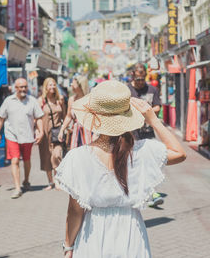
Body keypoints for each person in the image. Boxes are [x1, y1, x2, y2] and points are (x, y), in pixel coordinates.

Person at [55, 80, 186, 258]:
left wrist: (68, 246)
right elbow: (179, 153)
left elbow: (75, 211)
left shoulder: (78, 157)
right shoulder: (142, 151)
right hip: (131, 233)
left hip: (93, 234)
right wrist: (154, 120)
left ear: (95, 117)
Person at [0, 78, 44, 199]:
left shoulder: (32, 101)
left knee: (27, 161)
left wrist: (41, 132)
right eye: (20, 87)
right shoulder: (8, 101)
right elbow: (0, 118)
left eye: (25, 87)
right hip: (12, 136)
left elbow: (39, 118)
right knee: (15, 160)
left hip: (27, 136)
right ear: (15, 88)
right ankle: (17, 188)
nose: (23, 89)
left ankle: (26, 181)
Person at [128, 62, 164, 208]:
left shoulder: (152, 89)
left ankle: (150, 191)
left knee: (150, 162)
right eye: (138, 79)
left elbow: (158, 106)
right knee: (135, 163)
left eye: (143, 79)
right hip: (131, 132)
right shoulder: (127, 90)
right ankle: (146, 192)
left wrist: (147, 111)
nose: (141, 82)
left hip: (148, 131)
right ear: (133, 76)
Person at [38, 77, 65, 190]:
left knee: (56, 155)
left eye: (54, 84)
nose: (52, 87)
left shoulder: (60, 99)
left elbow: (64, 115)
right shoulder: (41, 101)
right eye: (50, 85)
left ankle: (57, 180)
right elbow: (37, 118)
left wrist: (65, 129)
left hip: (57, 132)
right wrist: (38, 131)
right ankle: (50, 182)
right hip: (45, 133)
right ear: (45, 87)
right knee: (46, 157)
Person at [58, 75, 92, 149]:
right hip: (75, 132)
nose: (71, 85)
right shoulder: (71, 99)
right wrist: (62, 130)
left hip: (88, 132)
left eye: (73, 84)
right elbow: (68, 116)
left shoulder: (89, 99)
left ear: (80, 85)